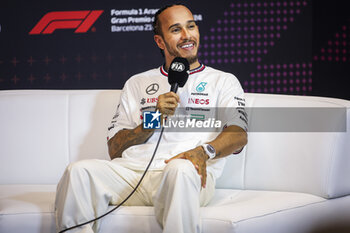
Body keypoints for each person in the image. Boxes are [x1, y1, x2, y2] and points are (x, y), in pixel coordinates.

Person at [55, 3, 248, 233]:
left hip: (184, 174)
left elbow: (238, 134)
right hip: (133, 173)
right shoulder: (137, 83)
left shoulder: (223, 81)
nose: (187, 35)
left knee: (181, 169)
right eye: (176, 30)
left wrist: (204, 152)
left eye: (191, 26)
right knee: (78, 171)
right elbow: (115, 149)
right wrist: (153, 118)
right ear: (160, 41)